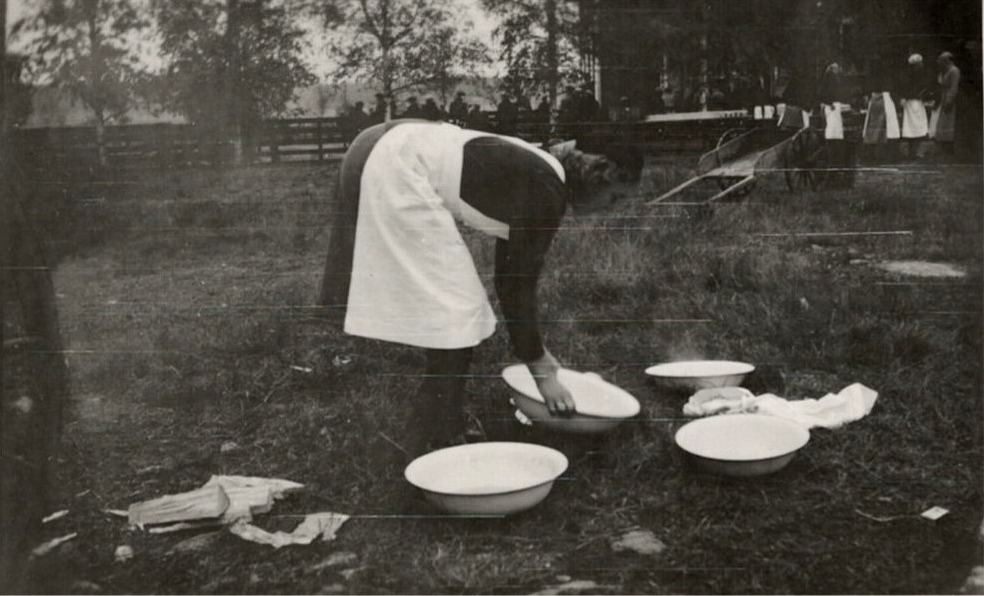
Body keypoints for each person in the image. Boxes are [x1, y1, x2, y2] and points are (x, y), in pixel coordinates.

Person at [316, 120, 641, 456]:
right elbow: (518, 285)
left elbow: (508, 278)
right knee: (458, 310)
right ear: (600, 170)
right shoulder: (547, 188)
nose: (609, 209)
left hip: (374, 142)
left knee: (456, 308)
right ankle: (438, 435)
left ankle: (442, 422)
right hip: (395, 161)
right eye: (615, 197)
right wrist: (541, 367)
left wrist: (534, 353)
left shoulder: (540, 167)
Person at [818, 61, 857, 188]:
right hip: (833, 109)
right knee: (834, 135)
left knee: (834, 135)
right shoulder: (832, 81)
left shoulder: (831, 82)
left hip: (833, 109)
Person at [862, 63, 901, 162]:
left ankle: (875, 155)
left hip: (876, 100)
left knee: (875, 128)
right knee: (886, 128)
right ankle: (882, 155)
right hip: (884, 100)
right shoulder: (886, 79)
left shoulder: (871, 79)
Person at [897, 53, 930, 160]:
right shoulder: (912, 75)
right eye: (920, 63)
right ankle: (912, 153)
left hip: (914, 102)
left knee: (914, 128)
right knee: (916, 128)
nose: (922, 65)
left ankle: (913, 152)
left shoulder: (910, 74)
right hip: (913, 102)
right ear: (916, 65)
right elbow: (909, 89)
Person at [929, 51, 960, 158]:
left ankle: (949, 151)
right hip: (944, 98)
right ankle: (945, 150)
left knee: (948, 123)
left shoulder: (954, 71)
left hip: (949, 100)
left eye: (941, 60)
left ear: (947, 61)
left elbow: (954, 88)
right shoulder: (945, 71)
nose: (939, 62)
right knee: (943, 124)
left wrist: (949, 101)